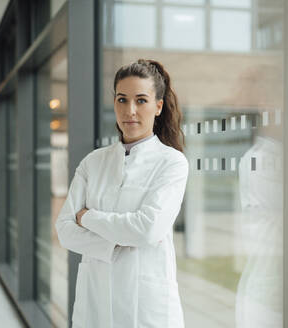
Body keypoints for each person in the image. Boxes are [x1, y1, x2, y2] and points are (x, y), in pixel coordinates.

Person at [55, 59, 189, 328]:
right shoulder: (92, 163)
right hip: (96, 299)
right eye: (122, 99)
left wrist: (88, 217)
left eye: (141, 100)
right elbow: (64, 230)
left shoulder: (172, 163)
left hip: (147, 305)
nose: (130, 111)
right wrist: (116, 242)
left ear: (158, 106)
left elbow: (146, 230)